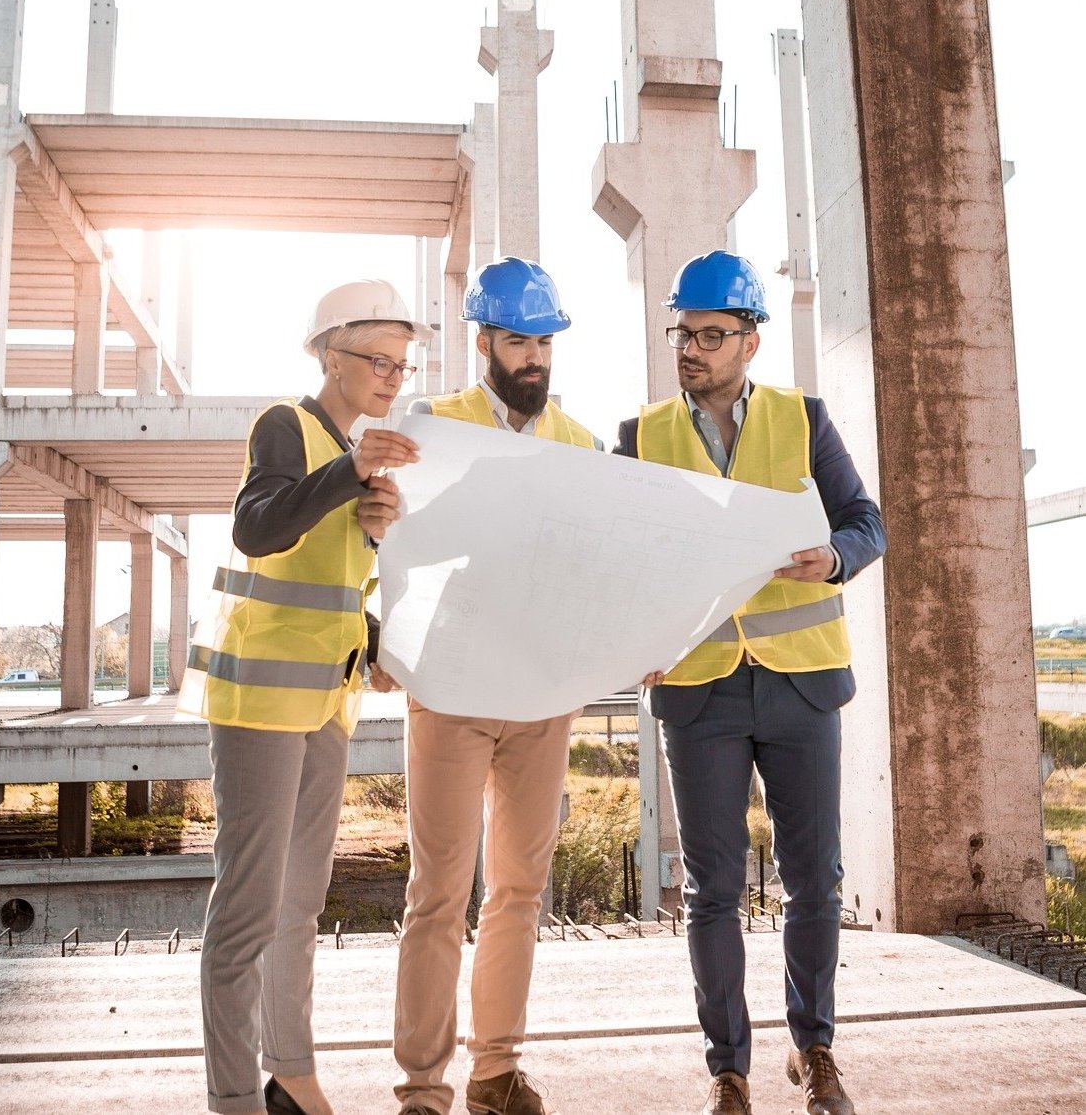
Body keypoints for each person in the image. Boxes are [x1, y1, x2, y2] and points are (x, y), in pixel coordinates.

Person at [614, 251, 886, 1115]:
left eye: (708, 334)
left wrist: (833, 556)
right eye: (681, 333)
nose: (689, 348)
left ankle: (814, 1050)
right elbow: (620, 559)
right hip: (698, 691)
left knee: (815, 879)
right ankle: (727, 1069)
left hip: (800, 684)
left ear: (750, 341)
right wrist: (634, 637)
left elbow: (865, 522)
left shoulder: (802, 420)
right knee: (713, 890)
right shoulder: (640, 435)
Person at [182, 279, 429, 1115]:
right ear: (330, 354)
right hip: (258, 702)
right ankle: (231, 1096)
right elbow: (257, 527)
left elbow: (326, 581)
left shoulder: (351, 449)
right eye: (376, 359)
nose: (392, 375)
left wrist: (369, 531)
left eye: (402, 362)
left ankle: (290, 1071)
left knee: (298, 901)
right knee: (247, 908)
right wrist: (348, 472)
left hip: (327, 702)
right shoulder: (285, 423)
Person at [392, 257, 601, 1115]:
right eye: (518, 339)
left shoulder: (582, 444)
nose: (534, 358)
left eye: (544, 342)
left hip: (542, 693)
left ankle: (494, 1070)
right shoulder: (432, 425)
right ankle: (421, 1086)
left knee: (517, 889)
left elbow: (598, 566)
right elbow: (391, 541)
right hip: (450, 686)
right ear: (483, 341)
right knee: (437, 890)